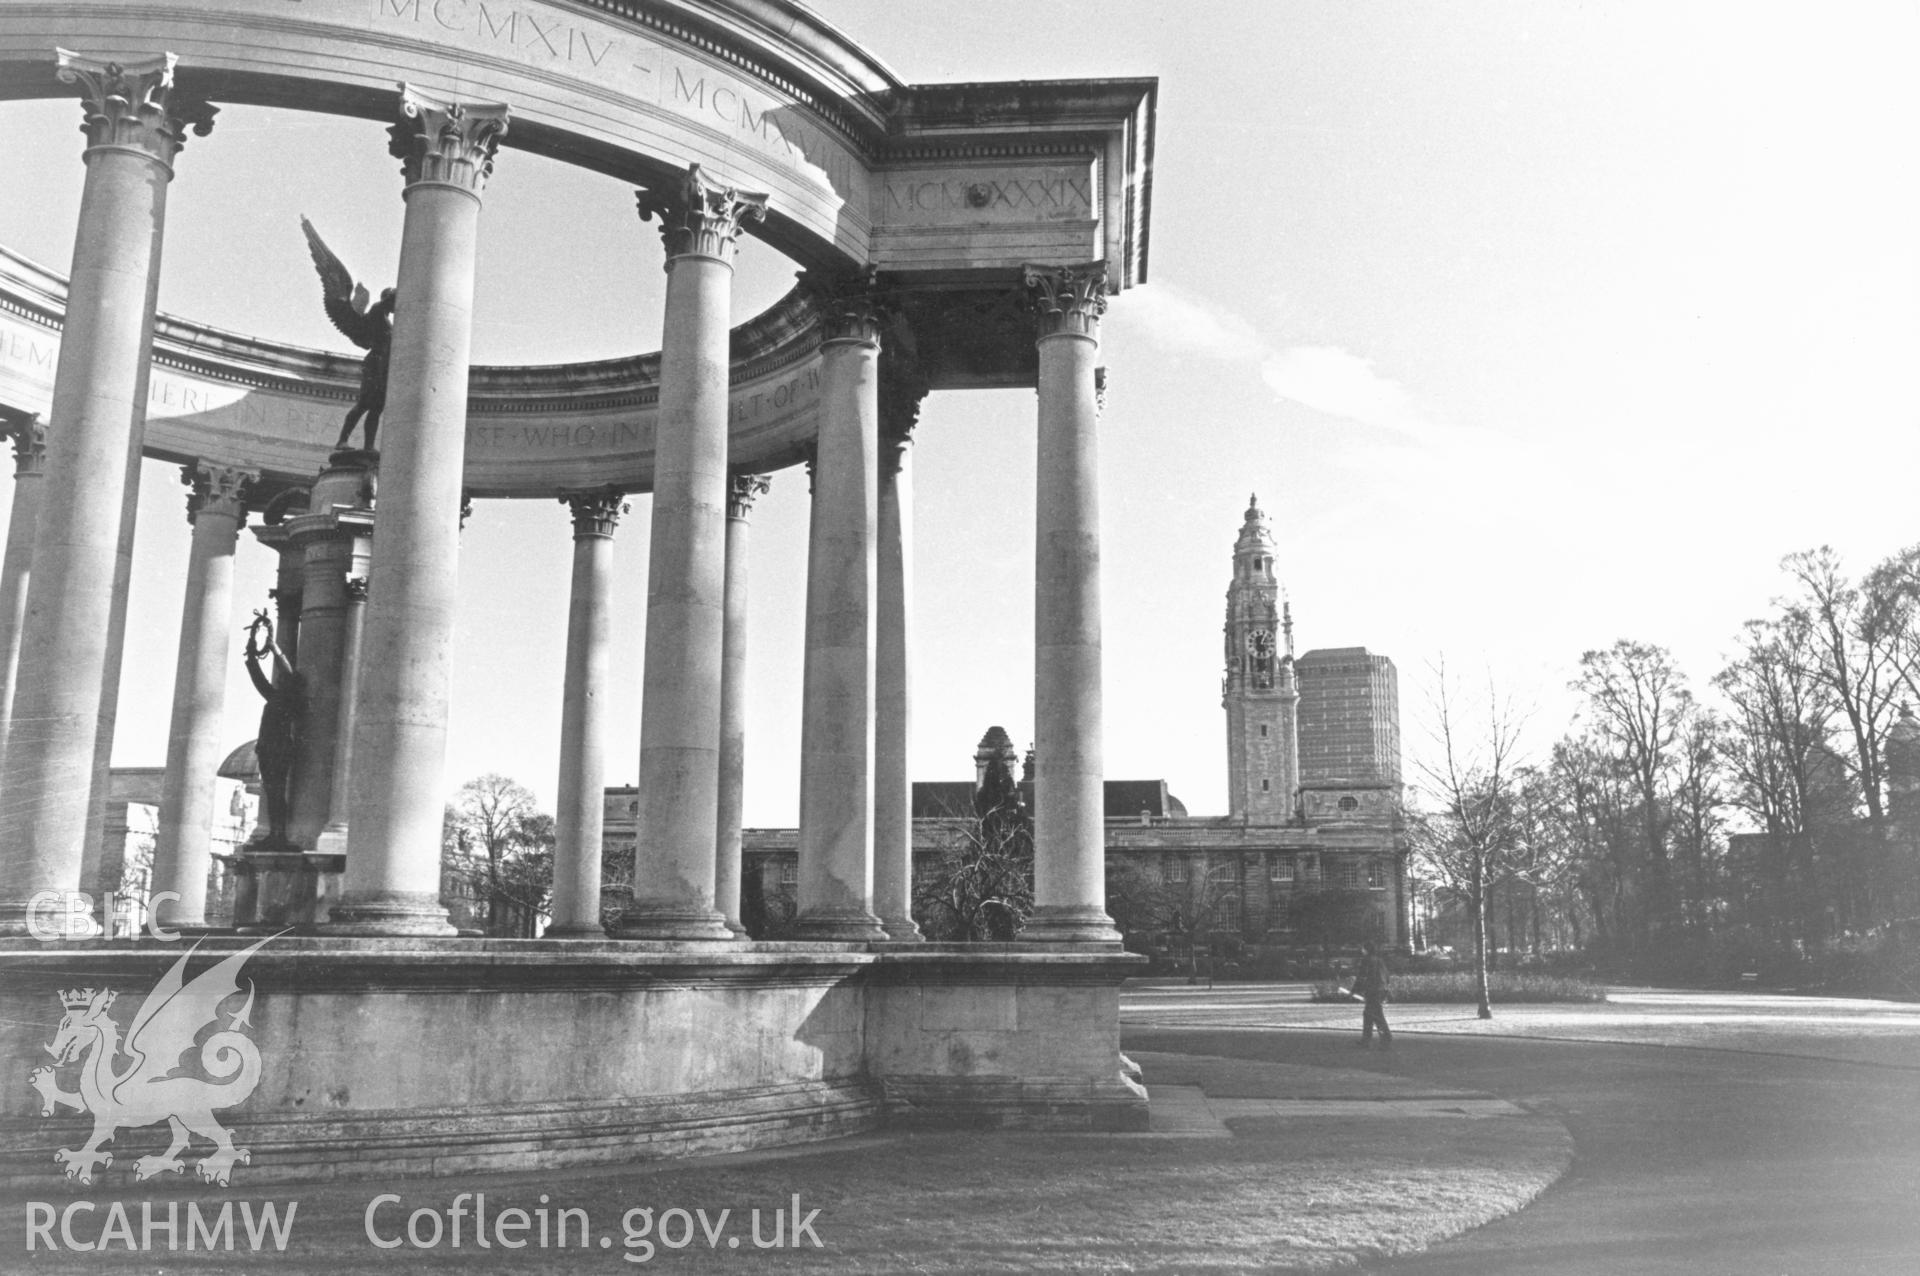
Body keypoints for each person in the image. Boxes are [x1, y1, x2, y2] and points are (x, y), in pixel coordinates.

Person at [1353, 940, 1393, 1049]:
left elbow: (1361, 976)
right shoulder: (1379, 960)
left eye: (1363, 948)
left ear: (1366, 949)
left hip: (1372, 990)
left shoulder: (1366, 960)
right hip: (1381, 989)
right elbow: (1387, 976)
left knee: (1375, 1015)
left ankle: (1385, 1038)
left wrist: (1354, 990)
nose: (1361, 950)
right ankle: (1367, 1039)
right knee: (1369, 1014)